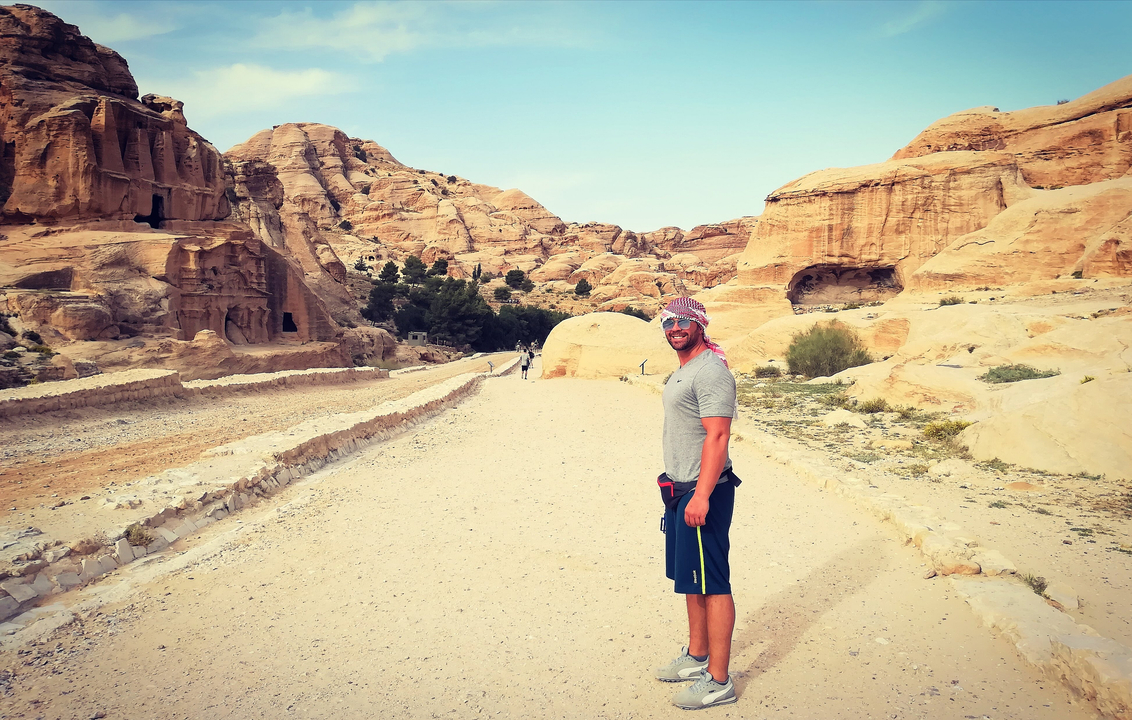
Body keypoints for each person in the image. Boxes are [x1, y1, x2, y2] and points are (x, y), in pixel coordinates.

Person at [653, 296, 739, 710]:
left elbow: (718, 437)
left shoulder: (711, 371)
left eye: (683, 321)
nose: (675, 327)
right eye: (669, 322)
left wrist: (702, 494)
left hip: (704, 492)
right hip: (680, 490)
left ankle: (719, 680)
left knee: (713, 581)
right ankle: (696, 655)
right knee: (692, 579)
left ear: (700, 325)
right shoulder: (685, 368)